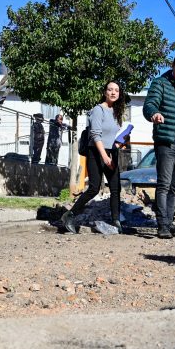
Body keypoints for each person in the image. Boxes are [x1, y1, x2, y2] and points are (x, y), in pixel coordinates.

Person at [143, 50, 175, 239]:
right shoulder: (160, 83)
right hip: (166, 139)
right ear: (172, 65)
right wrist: (154, 114)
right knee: (164, 184)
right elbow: (149, 104)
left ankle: (169, 221)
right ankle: (162, 224)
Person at [61, 81, 126, 234]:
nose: (113, 93)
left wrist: (119, 144)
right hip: (96, 151)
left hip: (112, 151)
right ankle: (69, 215)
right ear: (105, 92)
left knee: (116, 188)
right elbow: (95, 135)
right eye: (110, 89)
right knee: (94, 188)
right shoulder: (98, 110)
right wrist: (104, 156)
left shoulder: (116, 111)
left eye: (116, 90)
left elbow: (112, 135)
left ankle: (116, 222)